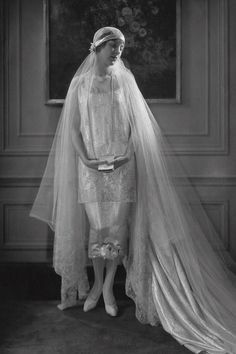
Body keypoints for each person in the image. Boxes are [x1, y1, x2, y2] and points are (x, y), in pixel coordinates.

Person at [30, 27, 236, 353]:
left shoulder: (125, 81)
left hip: (122, 168)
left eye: (121, 48)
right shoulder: (79, 84)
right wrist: (86, 158)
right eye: (113, 46)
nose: (117, 53)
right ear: (97, 47)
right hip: (91, 169)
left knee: (116, 232)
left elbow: (136, 126)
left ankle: (109, 288)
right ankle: (95, 287)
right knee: (98, 231)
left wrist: (126, 153)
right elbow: (72, 129)